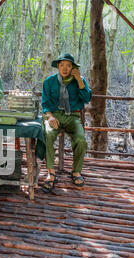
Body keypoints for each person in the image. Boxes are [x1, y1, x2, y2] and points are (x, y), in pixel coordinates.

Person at [41, 53, 92, 193]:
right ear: (58, 66)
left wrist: (79, 81)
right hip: (54, 115)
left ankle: (76, 172)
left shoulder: (79, 80)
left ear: (73, 67)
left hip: (72, 116)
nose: (65, 68)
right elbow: (44, 103)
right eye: (62, 65)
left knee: (81, 140)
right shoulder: (49, 81)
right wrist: (50, 117)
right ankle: (51, 173)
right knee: (48, 134)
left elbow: (87, 98)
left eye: (68, 65)